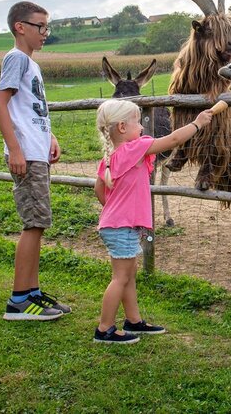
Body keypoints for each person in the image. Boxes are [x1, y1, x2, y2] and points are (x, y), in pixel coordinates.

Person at [92, 99, 214, 344]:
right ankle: (104, 328)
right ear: (123, 127)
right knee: (120, 277)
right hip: (121, 226)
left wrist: (116, 210)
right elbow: (173, 141)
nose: (143, 126)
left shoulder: (110, 157)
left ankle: (133, 321)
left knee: (129, 274)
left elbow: (99, 190)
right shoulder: (134, 148)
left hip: (115, 224)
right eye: (138, 121)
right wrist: (197, 124)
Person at [0, 1, 67, 321]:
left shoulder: (31, 64)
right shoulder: (17, 59)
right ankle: (19, 300)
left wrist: (49, 136)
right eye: (41, 26)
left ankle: (32, 292)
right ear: (20, 27)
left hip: (38, 151)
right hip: (27, 155)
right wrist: (17, 149)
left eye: (47, 27)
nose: (45, 33)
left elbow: (31, 109)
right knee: (33, 225)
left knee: (39, 223)